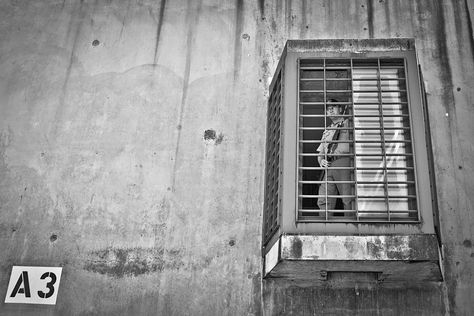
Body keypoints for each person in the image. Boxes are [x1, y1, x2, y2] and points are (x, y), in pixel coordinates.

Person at [317, 100, 353, 212]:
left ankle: (352, 226)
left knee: (348, 199)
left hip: (344, 162)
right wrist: (321, 161)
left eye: (333, 107)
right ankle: (324, 227)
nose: (330, 110)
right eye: (328, 108)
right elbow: (320, 153)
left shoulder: (349, 123)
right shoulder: (326, 131)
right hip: (329, 165)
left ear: (341, 109)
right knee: (323, 199)